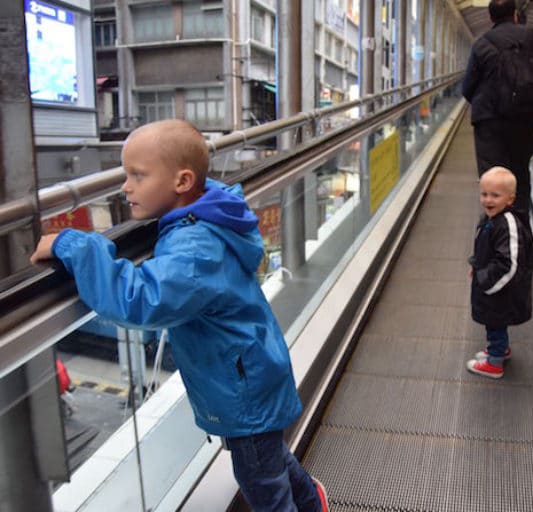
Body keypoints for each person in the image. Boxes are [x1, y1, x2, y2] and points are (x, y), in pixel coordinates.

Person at [30, 120, 330, 512]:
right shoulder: (207, 214)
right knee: (268, 459)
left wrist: (73, 244)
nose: (125, 186)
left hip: (243, 387)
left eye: (138, 175)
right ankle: (312, 501)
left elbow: (138, 300)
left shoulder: (193, 251)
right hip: (250, 372)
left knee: (262, 481)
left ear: (183, 181)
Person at [462, 0, 533, 220]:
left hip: (489, 124)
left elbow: (467, 88)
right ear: (515, 15)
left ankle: (495, 242)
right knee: (518, 178)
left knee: (492, 181)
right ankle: (520, 235)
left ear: (490, 18)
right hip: (523, 121)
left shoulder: (481, 44)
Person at [466, 167, 533, 379]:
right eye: (484, 194)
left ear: (510, 199)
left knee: (495, 320)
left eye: (495, 195)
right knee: (493, 321)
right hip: (492, 283)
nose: (488, 200)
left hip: (502, 289)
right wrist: (475, 265)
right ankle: (500, 348)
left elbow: (510, 264)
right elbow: (484, 249)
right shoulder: (489, 218)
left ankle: (494, 363)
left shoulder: (508, 224)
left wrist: (485, 282)